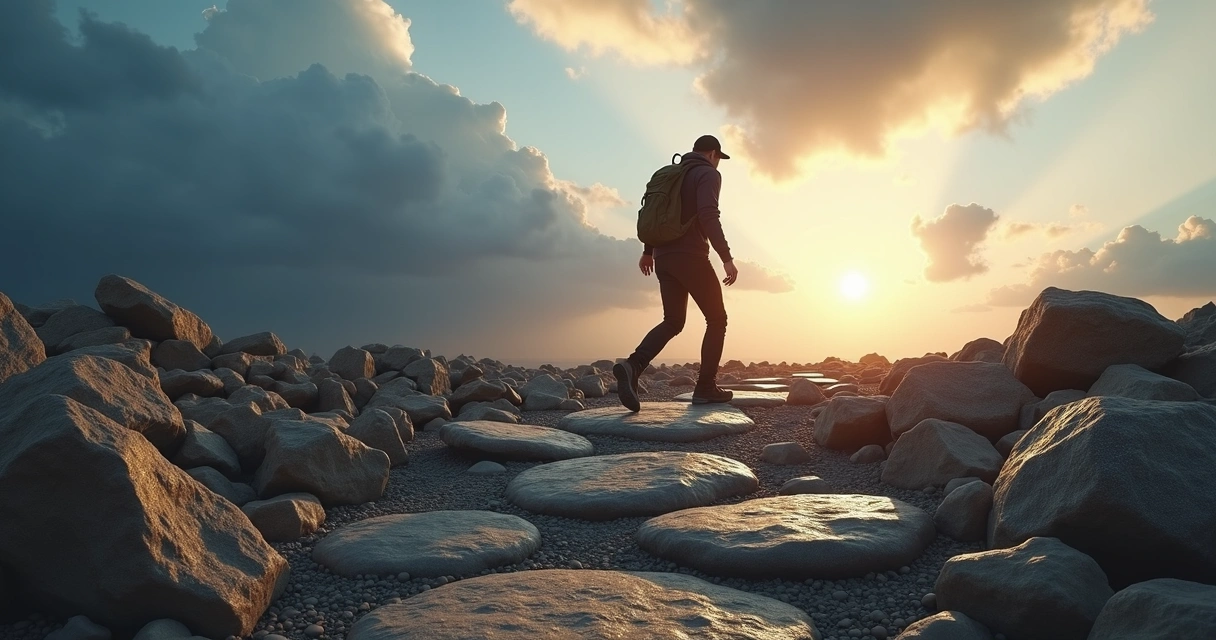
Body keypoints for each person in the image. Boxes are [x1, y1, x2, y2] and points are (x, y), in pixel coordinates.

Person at [614, 134, 738, 412]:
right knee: (717, 319)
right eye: (719, 159)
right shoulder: (707, 174)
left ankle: (633, 365)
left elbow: (656, 212)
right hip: (691, 255)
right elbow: (709, 215)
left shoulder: (673, 173)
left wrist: (649, 250)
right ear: (713, 154)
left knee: (673, 321)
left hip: (663, 257)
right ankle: (705, 387)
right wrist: (726, 257)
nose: (718, 164)